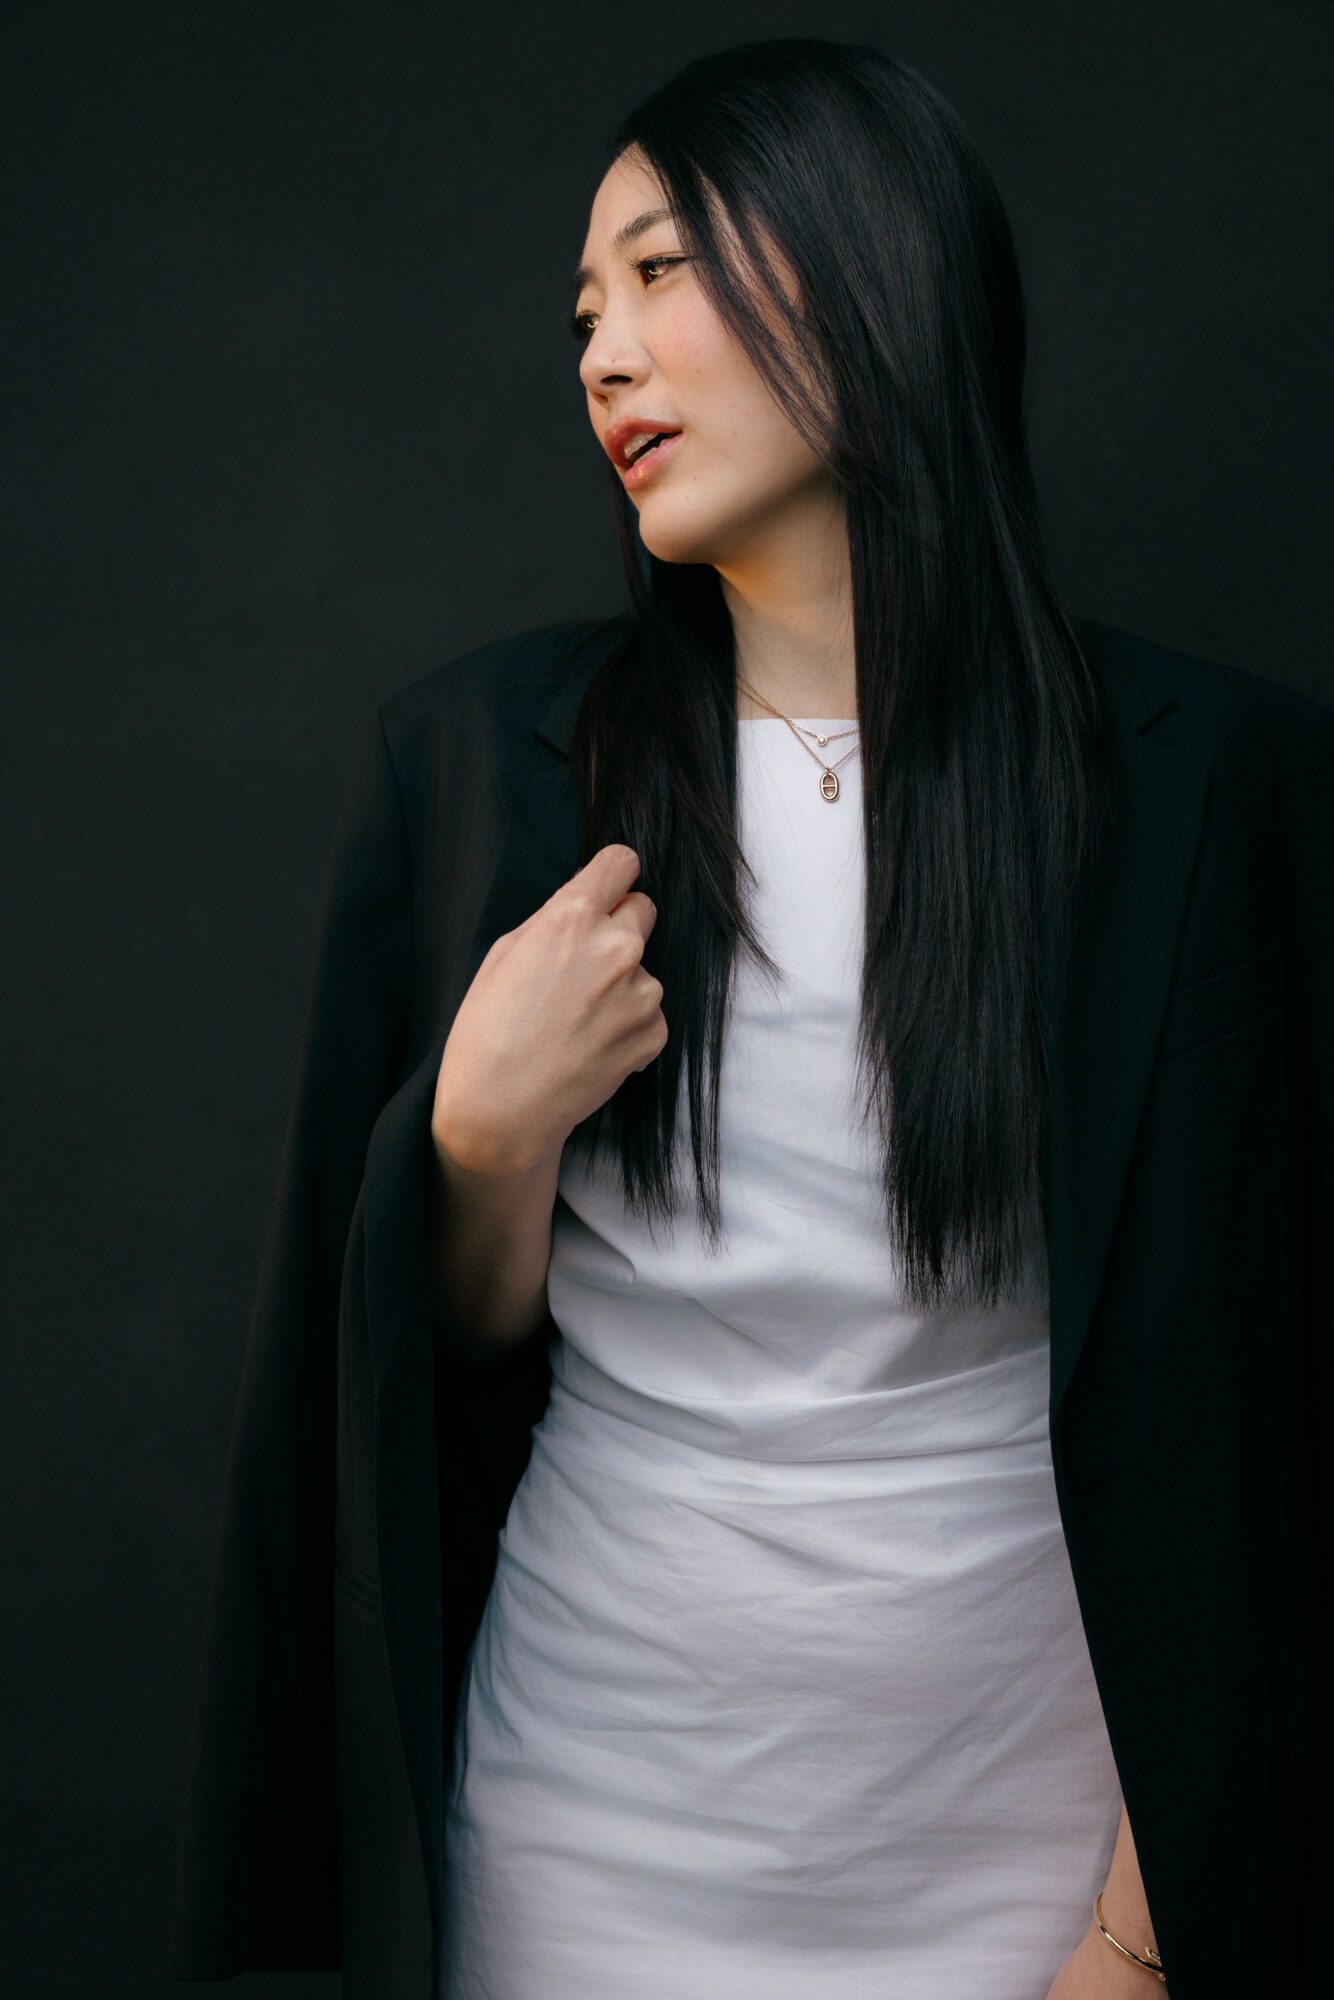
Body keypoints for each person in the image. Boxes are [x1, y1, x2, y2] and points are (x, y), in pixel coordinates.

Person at [168, 37, 1331, 2000]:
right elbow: (436, 1360)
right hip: (585, 1850)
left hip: (1039, 1866)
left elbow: (1290, 1405)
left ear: (868, 260)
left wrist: (1133, 1942)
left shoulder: (1216, 787)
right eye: (577, 308)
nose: (598, 354)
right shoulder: (481, 767)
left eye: (656, 273)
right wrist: (472, 1132)